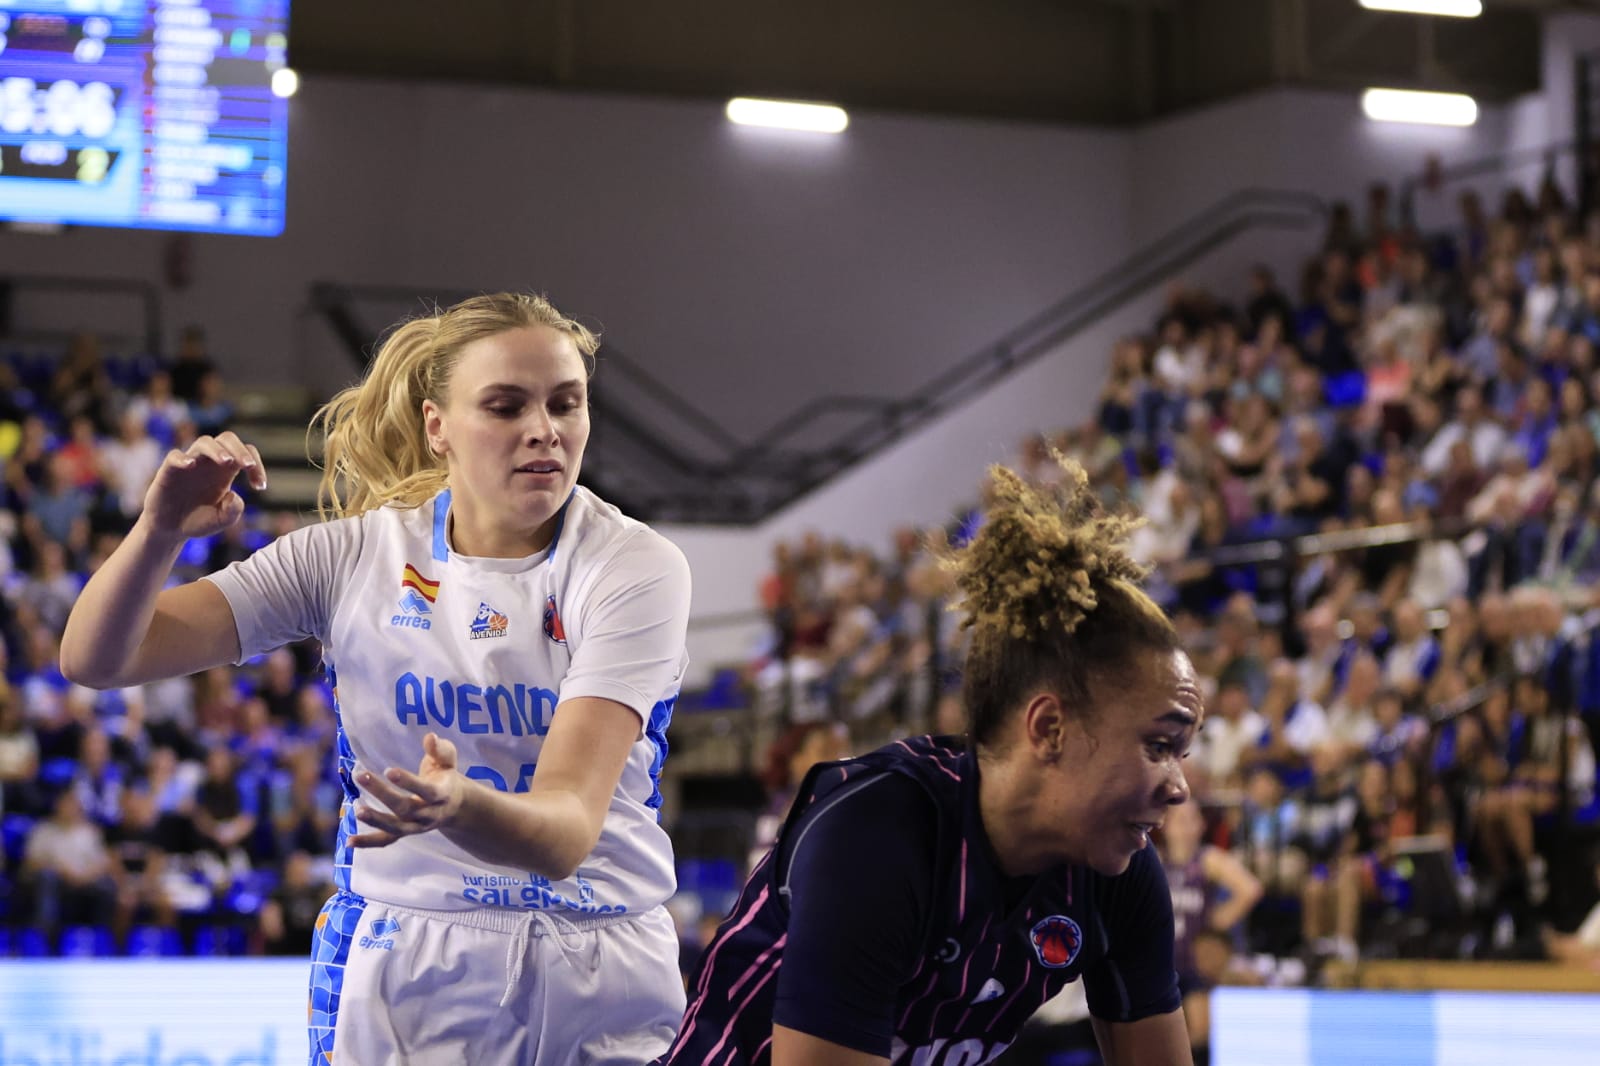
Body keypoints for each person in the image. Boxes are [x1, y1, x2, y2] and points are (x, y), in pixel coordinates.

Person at [60, 293, 692, 1064]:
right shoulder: (350, 558)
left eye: (567, 404)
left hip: (604, 954)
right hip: (407, 947)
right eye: (505, 405)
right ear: (438, 427)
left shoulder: (633, 566)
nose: (544, 430)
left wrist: (460, 803)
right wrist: (157, 533)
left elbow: (562, 832)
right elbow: (98, 658)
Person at [662, 458, 1202, 1066]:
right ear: (1050, 728)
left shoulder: (1119, 875)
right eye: (1159, 747)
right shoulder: (879, 833)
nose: (1179, 786)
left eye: (1182, 754)